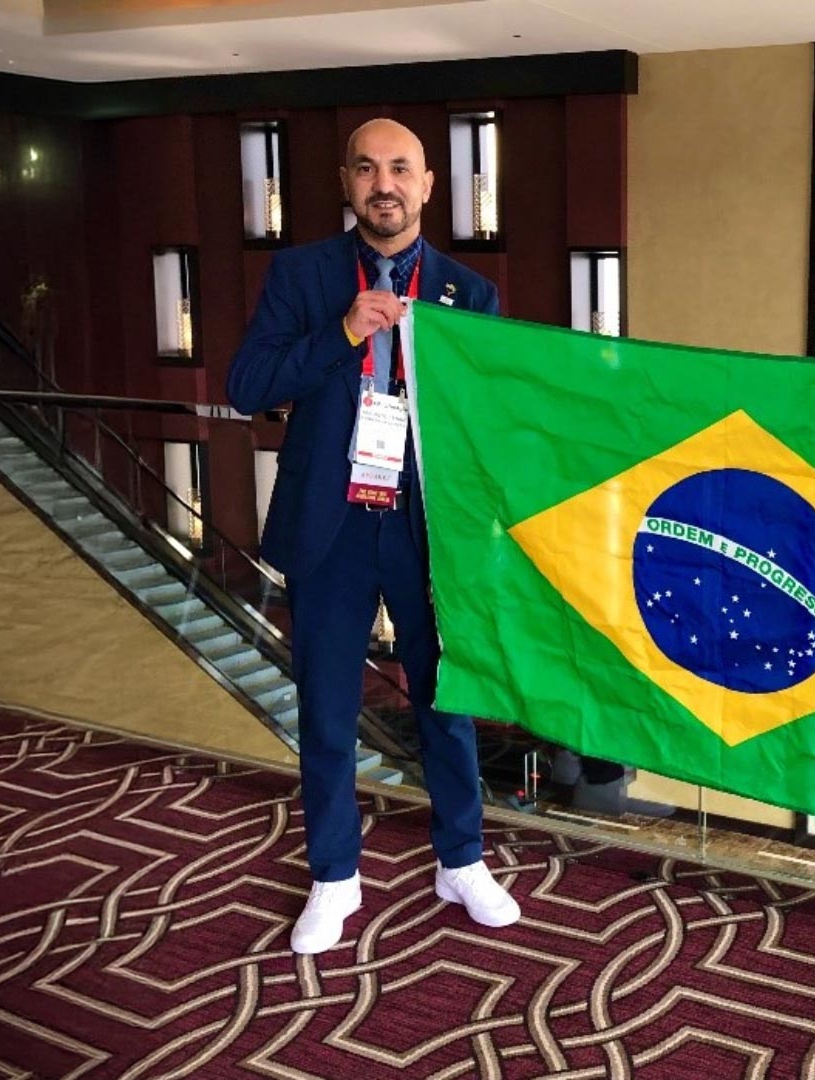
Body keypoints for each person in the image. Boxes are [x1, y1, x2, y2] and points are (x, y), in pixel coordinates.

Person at [228, 118, 519, 955]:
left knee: (445, 701)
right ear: (346, 184)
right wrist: (345, 333)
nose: (383, 183)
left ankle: (460, 859)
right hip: (334, 525)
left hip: (429, 531)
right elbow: (249, 384)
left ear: (429, 186)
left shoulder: (471, 293)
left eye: (400, 169)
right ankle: (334, 876)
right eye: (366, 169)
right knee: (326, 708)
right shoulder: (303, 275)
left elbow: (485, 423)